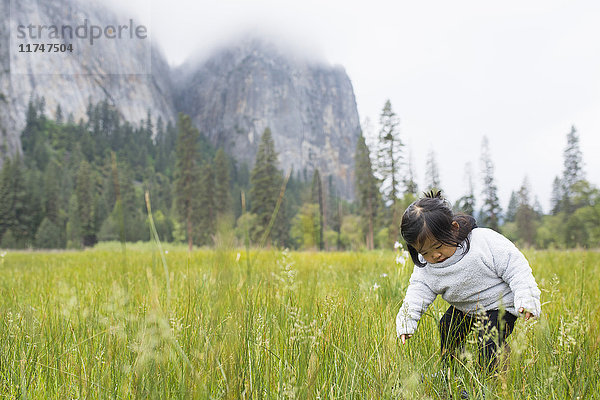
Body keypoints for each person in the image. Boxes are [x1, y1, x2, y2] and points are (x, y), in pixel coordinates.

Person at [395, 190, 541, 370]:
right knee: (447, 328)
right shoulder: (427, 265)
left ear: (453, 228)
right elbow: (418, 290)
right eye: (424, 252)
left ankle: (492, 382)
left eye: (438, 246)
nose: (435, 255)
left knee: (488, 340)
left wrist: (527, 299)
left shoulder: (483, 242)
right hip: (466, 308)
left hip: (499, 305)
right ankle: (450, 374)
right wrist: (406, 321)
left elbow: (516, 268)